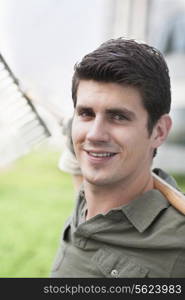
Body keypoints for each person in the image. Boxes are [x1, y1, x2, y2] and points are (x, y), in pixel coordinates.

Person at [51, 37, 185, 278]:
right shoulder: (85, 200)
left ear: (159, 131)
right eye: (86, 114)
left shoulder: (177, 246)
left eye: (118, 117)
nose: (94, 135)